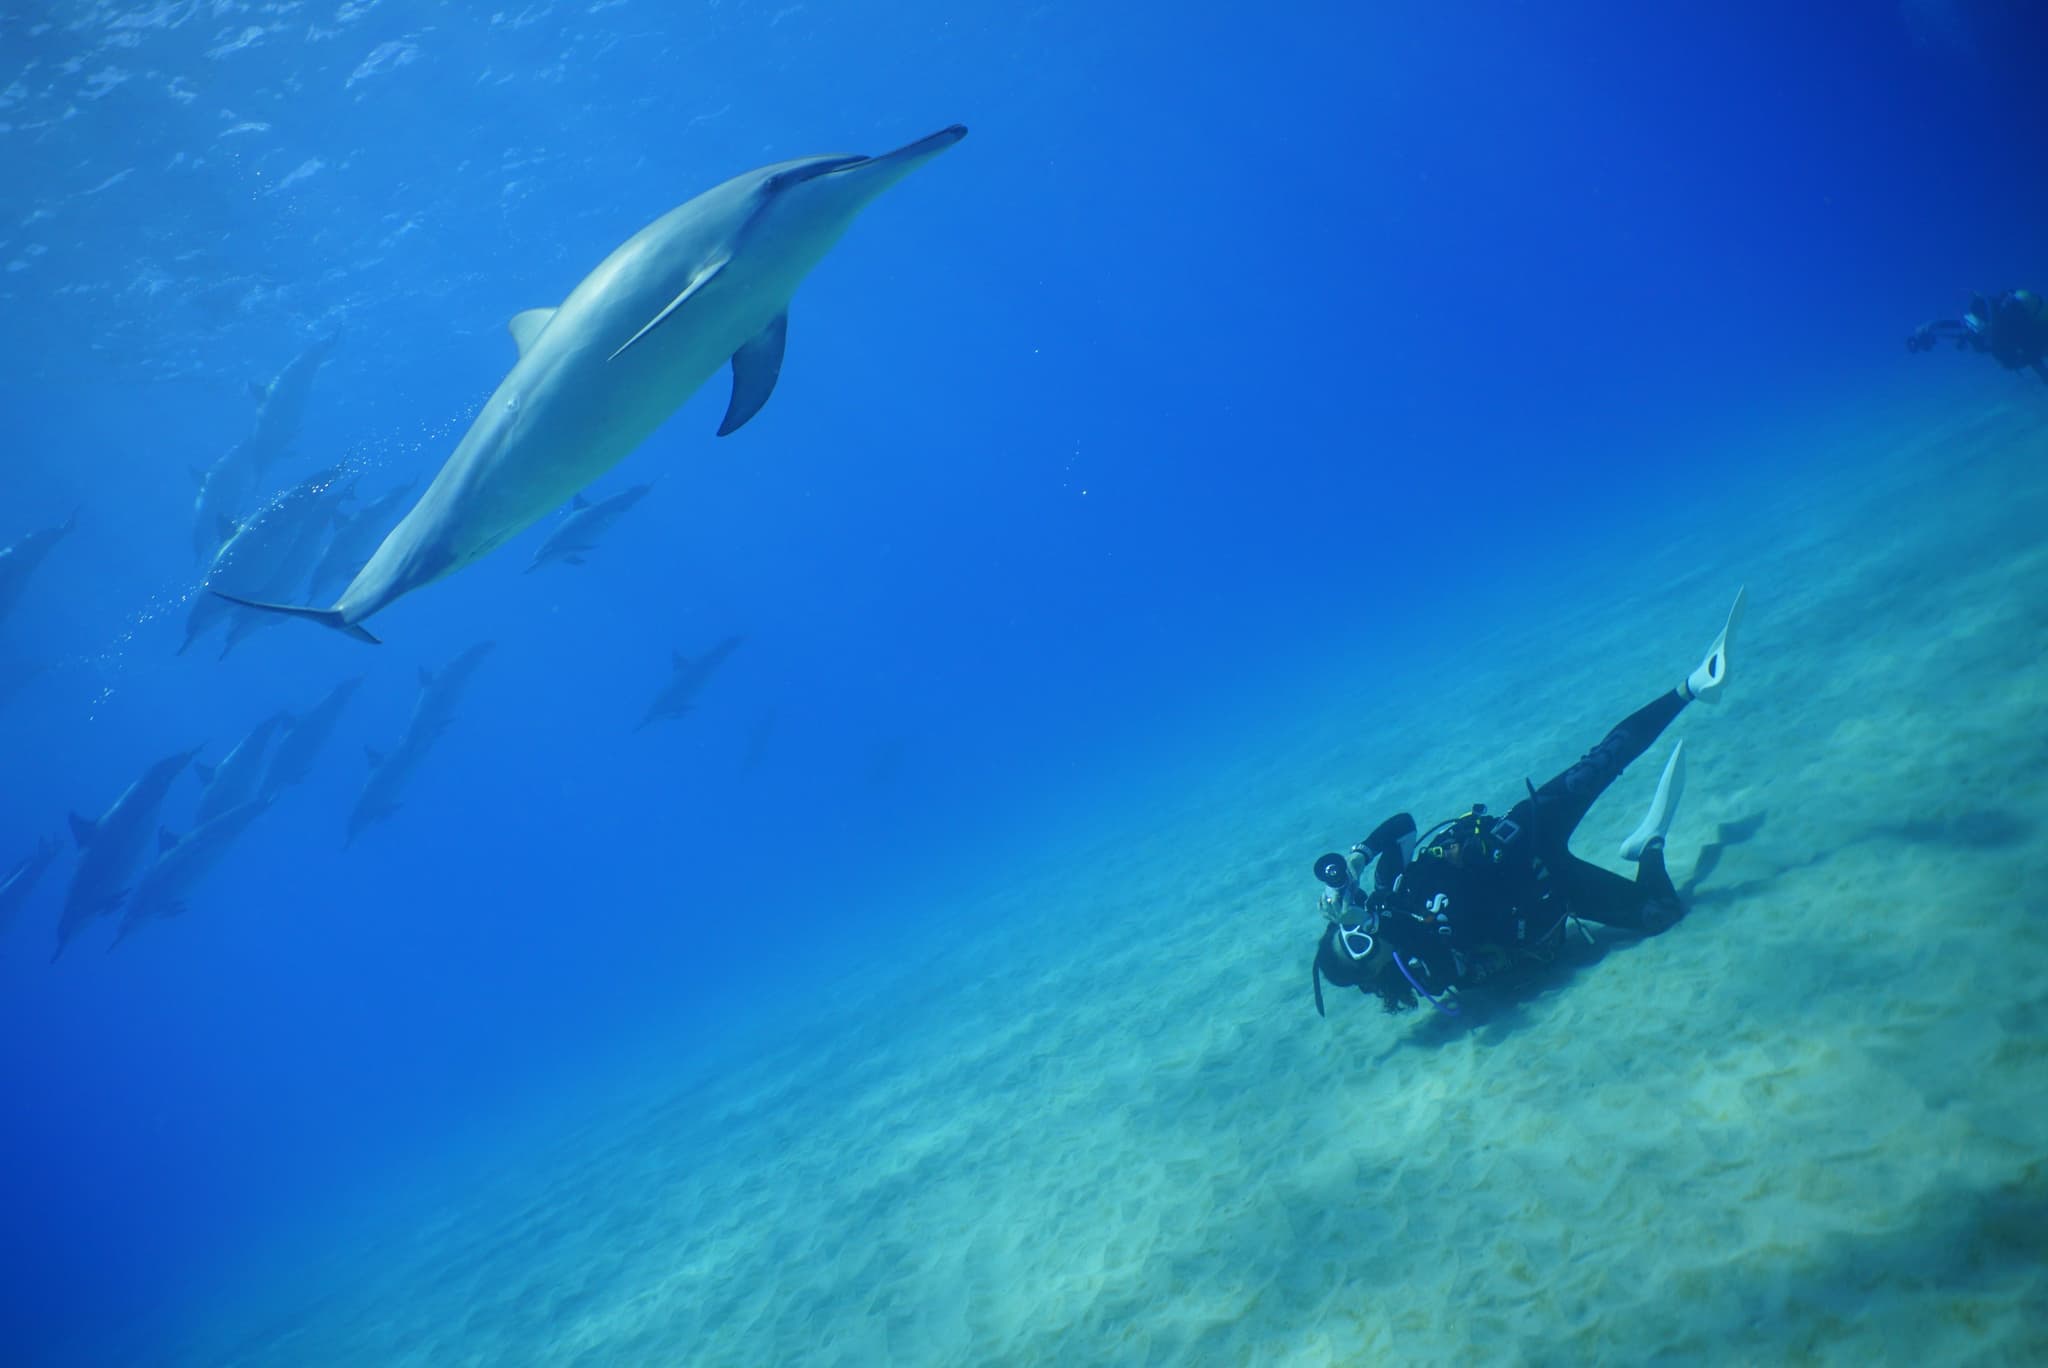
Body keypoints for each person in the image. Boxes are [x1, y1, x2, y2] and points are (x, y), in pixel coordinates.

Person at [1310, 589, 1745, 1017]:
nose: (1360, 934)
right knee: (1662, 915)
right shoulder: (1430, 969)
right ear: (1375, 973)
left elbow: (1403, 825)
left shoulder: (1389, 886)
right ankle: (1648, 845)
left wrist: (1358, 859)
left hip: (1523, 832)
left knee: (1603, 760)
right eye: (1360, 946)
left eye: (1347, 931)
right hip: (1557, 891)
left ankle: (1693, 684)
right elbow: (1450, 942)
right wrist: (1377, 927)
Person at [1906, 289, 2048, 384]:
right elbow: (1964, 329)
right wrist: (1932, 327)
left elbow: (2032, 358)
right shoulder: (2002, 329)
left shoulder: (2004, 335)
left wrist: (1932, 327)